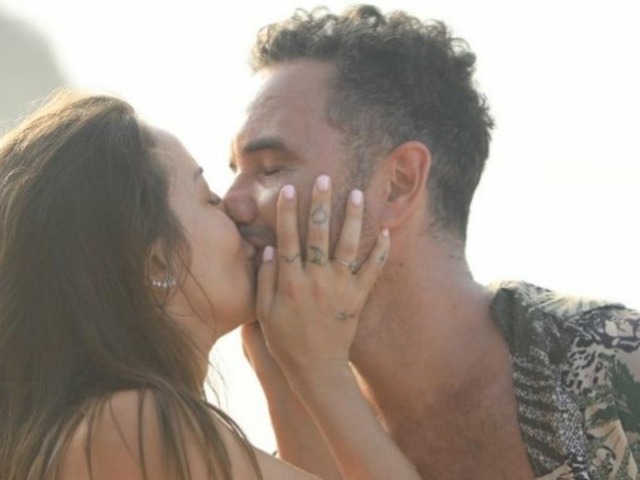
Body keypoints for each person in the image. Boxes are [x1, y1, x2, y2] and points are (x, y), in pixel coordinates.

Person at [224, 5, 640, 479]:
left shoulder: (618, 365)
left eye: (271, 168)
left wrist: (319, 375)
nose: (231, 202)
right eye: (234, 171)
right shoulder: (301, 421)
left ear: (399, 183)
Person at [0, 90, 424, 480]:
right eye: (209, 199)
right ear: (157, 260)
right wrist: (323, 368)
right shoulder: (134, 426)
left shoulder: (102, 425)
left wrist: (285, 367)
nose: (236, 210)